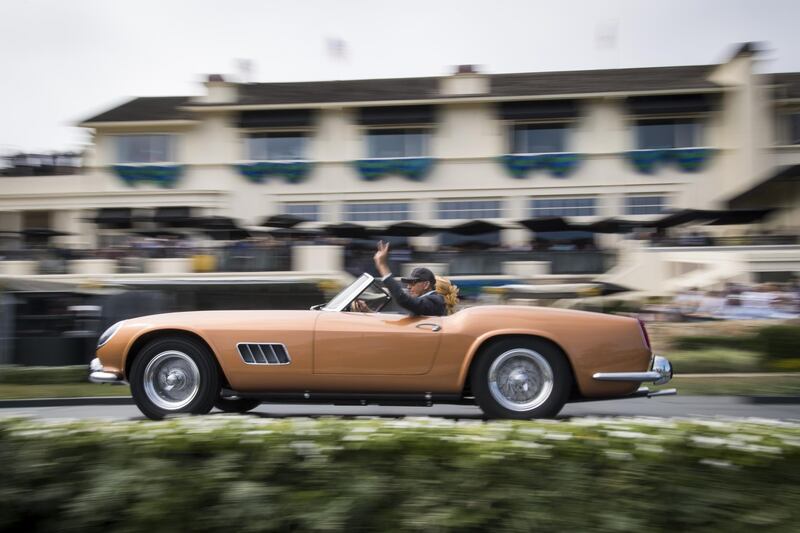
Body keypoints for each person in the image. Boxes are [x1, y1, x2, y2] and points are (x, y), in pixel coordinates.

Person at [353, 240, 448, 316]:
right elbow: (400, 317)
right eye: (408, 284)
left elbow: (403, 299)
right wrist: (369, 312)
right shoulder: (424, 303)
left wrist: (382, 265)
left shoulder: (435, 300)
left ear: (426, 284)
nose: (408, 287)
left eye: (413, 283)